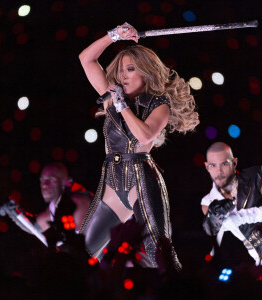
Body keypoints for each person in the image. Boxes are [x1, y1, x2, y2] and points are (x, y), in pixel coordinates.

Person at [78, 22, 199, 270]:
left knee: (159, 250)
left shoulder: (158, 103)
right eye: (121, 71)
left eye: (130, 69)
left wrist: (122, 106)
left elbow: (144, 136)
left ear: (146, 73)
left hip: (140, 176)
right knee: (82, 250)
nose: (122, 76)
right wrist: (114, 35)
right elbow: (86, 59)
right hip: (112, 178)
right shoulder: (112, 98)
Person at [201, 142, 262, 267]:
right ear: (207, 167)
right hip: (258, 264)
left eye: (224, 164)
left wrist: (243, 217)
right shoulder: (208, 202)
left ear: (234, 163)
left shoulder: (256, 175)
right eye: (213, 165)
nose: (219, 171)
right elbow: (212, 240)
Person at [1, 162, 92, 251]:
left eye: (51, 180)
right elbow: (35, 226)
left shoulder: (78, 201)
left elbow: (80, 248)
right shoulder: (57, 205)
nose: (44, 185)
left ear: (66, 182)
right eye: (42, 180)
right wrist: (14, 212)